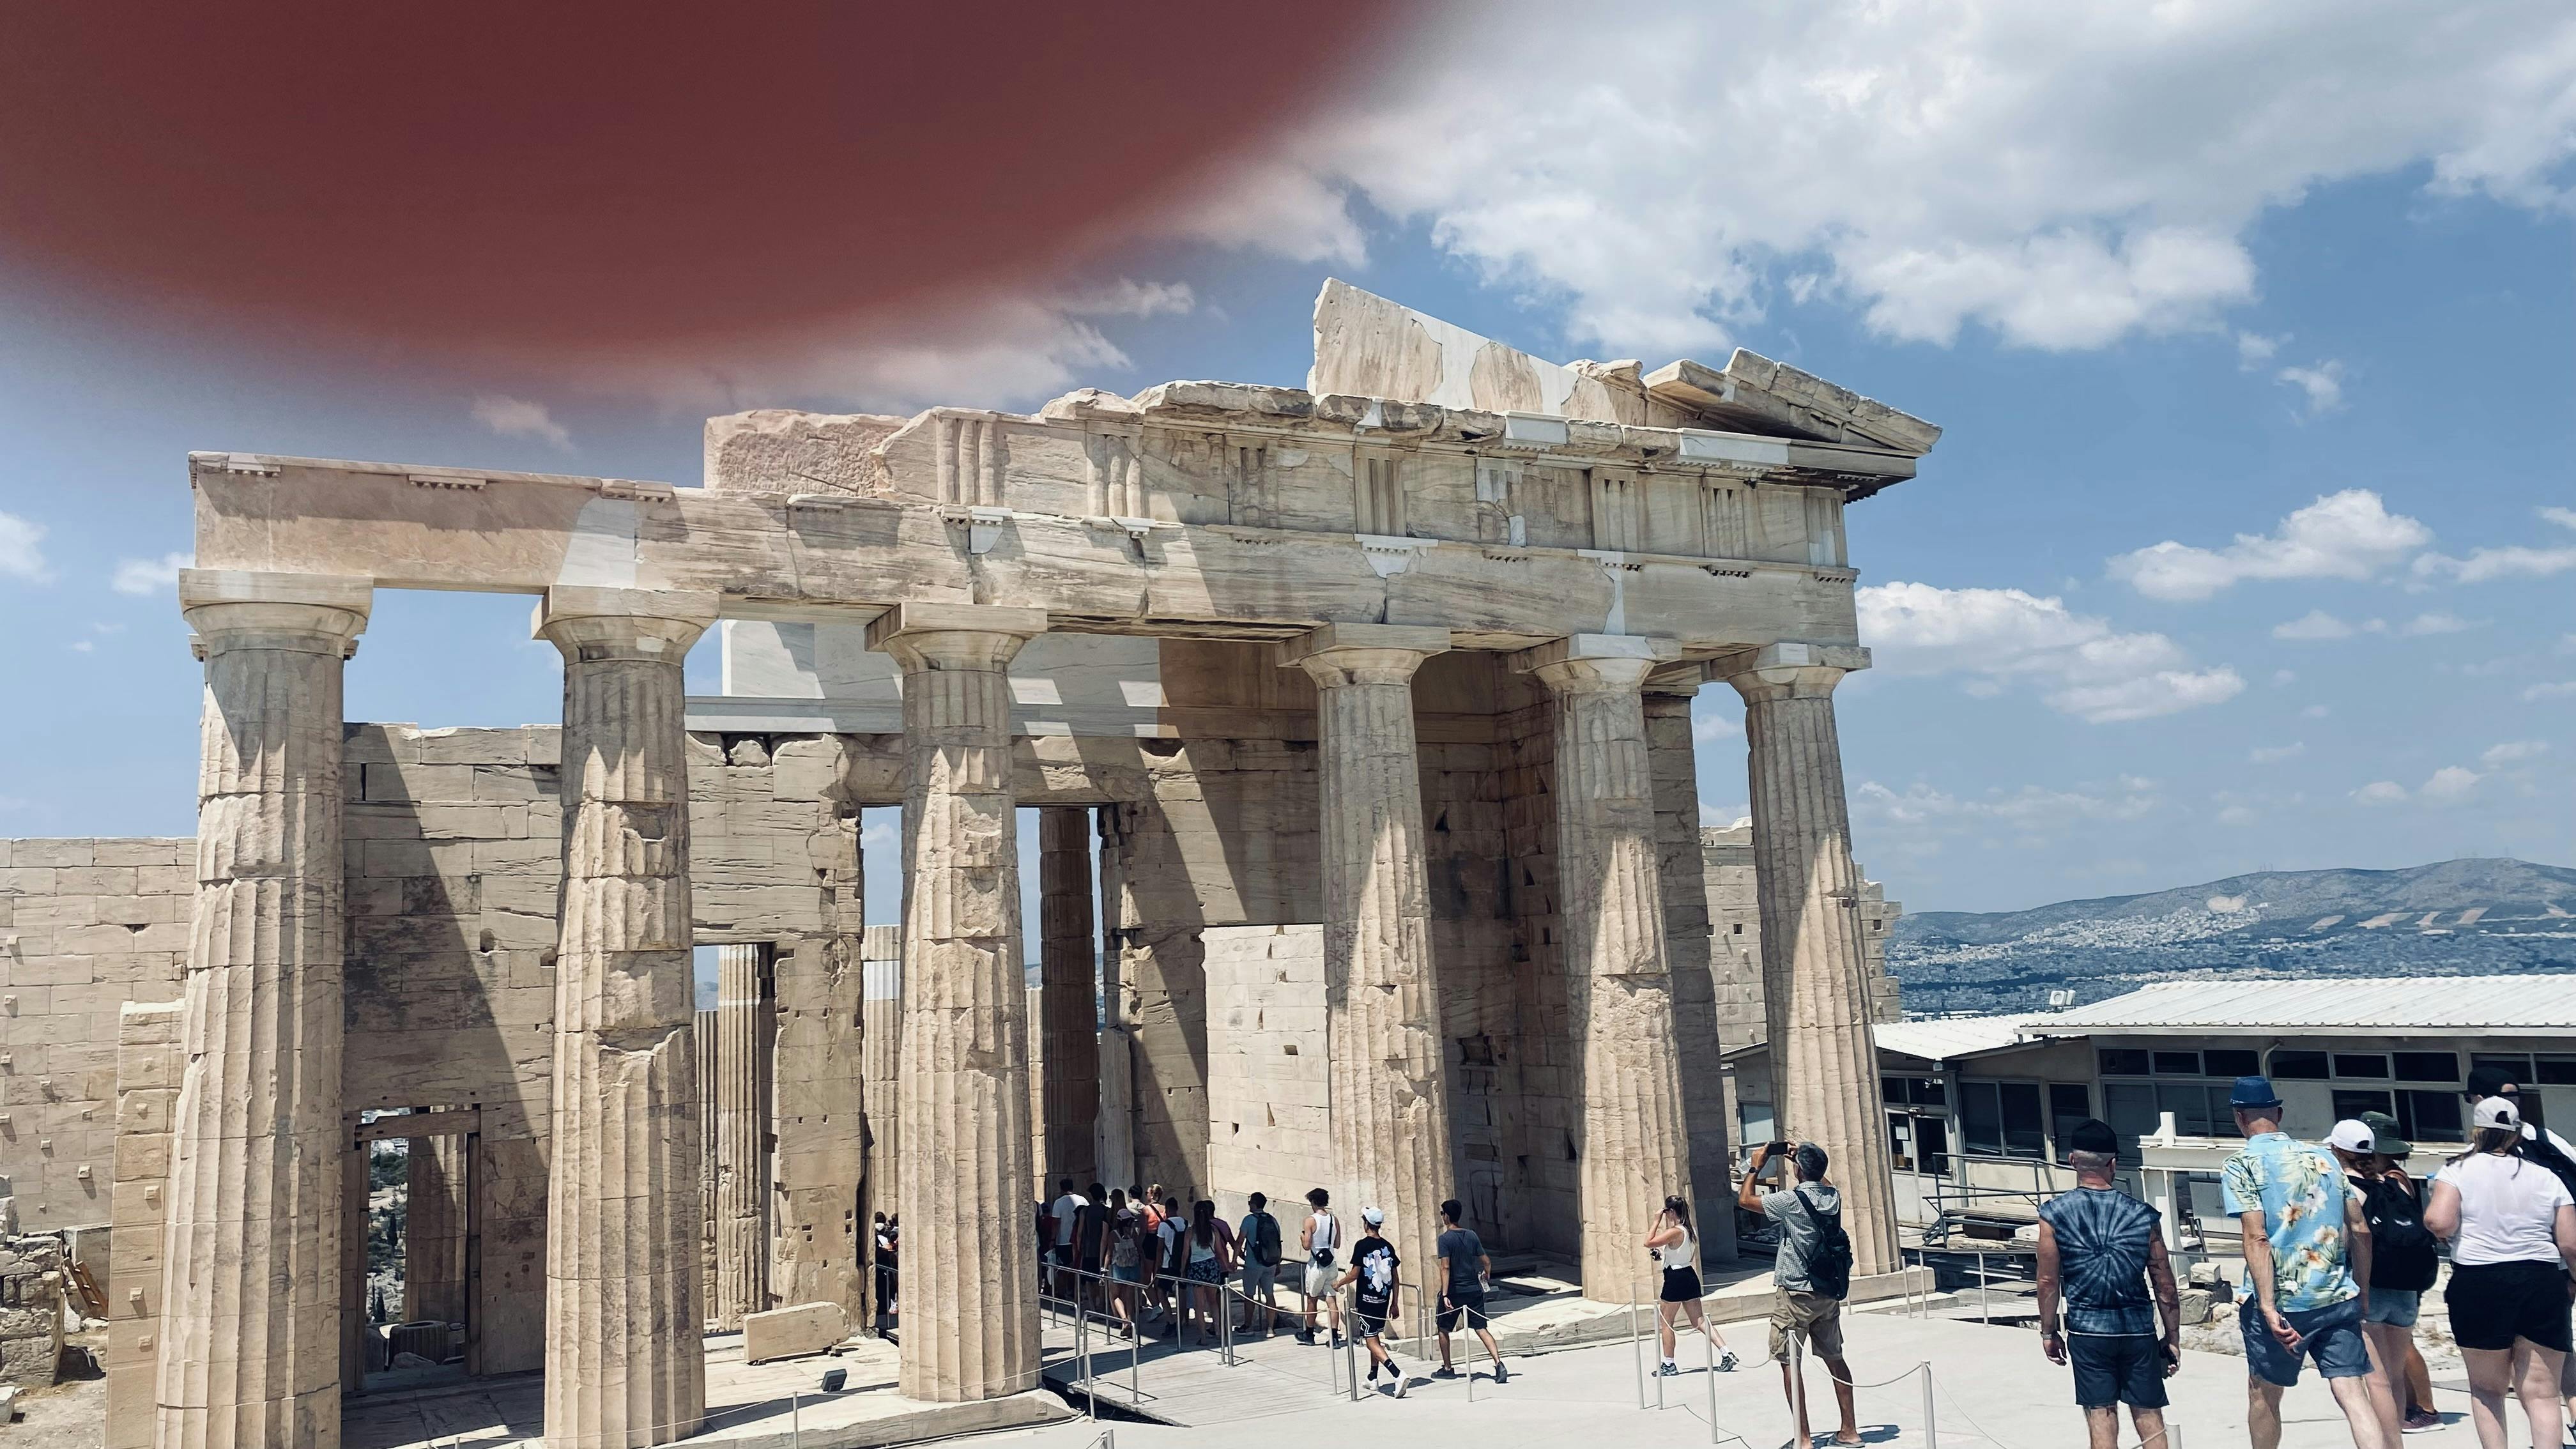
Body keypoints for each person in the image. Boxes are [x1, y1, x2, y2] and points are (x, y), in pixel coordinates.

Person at [2219, 1076, 2390, 1449]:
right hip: (2335, 1296)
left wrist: (2266, 1306)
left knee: (2264, 1394)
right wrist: (2361, 1291)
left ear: (2239, 1117)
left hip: (2282, 1303)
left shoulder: (2240, 1165)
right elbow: (2360, 1229)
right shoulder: (2325, 1157)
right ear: (2279, 1114)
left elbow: (2257, 1237)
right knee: (2354, 1395)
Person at [2425, 1096, 2576, 1449]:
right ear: (2516, 1134)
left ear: (2477, 1132)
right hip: (2541, 1280)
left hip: (2480, 1280)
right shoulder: (2546, 1176)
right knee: (2543, 1393)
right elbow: (2570, 1243)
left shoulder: (2456, 1171)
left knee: (2487, 1389)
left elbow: (2439, 1221)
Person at [2035, 1119, 2181, 1449]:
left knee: (2100, 1416)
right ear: (2113, 1163)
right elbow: (2165, 1284)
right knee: (2150, 1418)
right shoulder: (2143, 1215)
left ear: (2072, 1161)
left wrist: (2048, 1331)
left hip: (2088, 1332)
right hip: (2138, 1331)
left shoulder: (2053, 1214)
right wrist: (2172, 1337)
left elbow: (2047, 1280)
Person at [2460, 1066, 2576, 1436]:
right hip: (2553, 1264)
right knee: (2552, 1355)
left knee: (2526, 1373)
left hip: (2507, 1268)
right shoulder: (2545, 1139)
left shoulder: (2470, 1161)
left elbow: (2441, 1220)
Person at [1741, 1140, 1860, 1448]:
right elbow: (1824, 1183)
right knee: (1836, 1359)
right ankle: (1849, 1431)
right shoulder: (1833, 1196)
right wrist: (1807, 1163)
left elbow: (1746, 1200)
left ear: (1798, 1171)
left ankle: (1804, 1439)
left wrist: (1755, 1166)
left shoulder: (1791, 1200)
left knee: (1790, 1363)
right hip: (1827, 1291)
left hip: (1796, 1292)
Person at [2333, 1117, 2442, 1435]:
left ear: (2337, 1151)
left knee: (2376, 1381)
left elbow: (2346, 1241)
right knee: (2394, 1377)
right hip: (2406, 1291)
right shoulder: (2397, 1184)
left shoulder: (2349, 1189)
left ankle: (2390, 1443)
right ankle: (2398, 1437)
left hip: (2372, 1288)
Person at [1646, 1193, 1738, 1376]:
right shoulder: (1691, 1230)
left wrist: (1656, 1221)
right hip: (1688, 1274)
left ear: (1671, 1212)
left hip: (1675, 1278)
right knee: (1699, 1321)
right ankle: (1726, 1352)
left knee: (1666, 1322)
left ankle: (1668, 1363)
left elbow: (1648, 1242)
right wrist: (1662, 1256)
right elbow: (1681, 1255)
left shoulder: (1675, 1231)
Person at [1335, 1206, 1407, 1397]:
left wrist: (1339, 1283)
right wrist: (1395, 1303)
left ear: (1366, 1223)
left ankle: (1397, 1374)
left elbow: (1354, 1274)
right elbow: (1395, 1278)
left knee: (1370, 1341)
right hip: (1383, 1300)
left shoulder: (1362, 1245)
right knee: (1374, 1337)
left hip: (1367, 1301)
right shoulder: (1388, 1246)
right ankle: (1372, 1377)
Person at [1434, 1197, 1508, 1383]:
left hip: (1454, 1291)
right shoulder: (1472, 1235)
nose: (1442, 1216)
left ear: (1447, 1216)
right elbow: (1487, 1261)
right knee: (1481, 1328)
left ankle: (1448, 1367)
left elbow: (1445, 1267)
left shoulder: (1445, 1239)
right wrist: (1486, 1274)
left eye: (1442, 1213)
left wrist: (1445, 1294)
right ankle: (1499, 1363)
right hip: (1473, 1289)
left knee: (1443, 1328)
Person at [1182, 1198, 1236, 1346]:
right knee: (1213, 1302)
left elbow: (1186, 1253)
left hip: (1196, 1267)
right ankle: (1218, 1331)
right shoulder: (1213, 1230)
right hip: (1212, 1266)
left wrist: (1182, 1269)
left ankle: (1203, 1337)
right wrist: (1227, 1265)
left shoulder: (1190, 1232)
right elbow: (1220, 1251)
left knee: (1199, 1305)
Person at [1298, 1186, 1343, 1347]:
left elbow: (1307, 1245)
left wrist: (1302, 1236)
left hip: (1316, 1266)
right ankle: (1334, 1337)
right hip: (1331, 1264)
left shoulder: (1310, 1220)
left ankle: (1309, 1335)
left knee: (1312, 1299)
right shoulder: (1334, 1220)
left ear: (1313, 1202)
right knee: (1332, 1300)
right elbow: (1337, 1244)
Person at [1238, 1192, 1286, 1334]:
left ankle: (1248, 1326)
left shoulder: (1248, 1220)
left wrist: (1236, 1259)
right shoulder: (1273, 1220)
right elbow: (1277, 1243)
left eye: (1250, 1202)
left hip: (1253, 1264)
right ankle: (1270, 1328)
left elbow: (1239, 1241)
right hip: (1270, 1263)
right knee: (1269, 1295)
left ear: (1253, 1204)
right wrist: (1277, 1264)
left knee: (1249, 1295)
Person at [1100, 1188, 1143, 1335]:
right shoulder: (1133, 1233)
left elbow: (1109, 1253)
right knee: (1129, 1297)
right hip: (1132, 1267)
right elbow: (1139, 1249)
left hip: (1118, 1268)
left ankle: (1124, 1320)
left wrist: (1104, 1269)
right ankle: (1130, 1321)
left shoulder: (1114, 1235)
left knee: (1115, 1296)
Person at [1048, 1176, 1087, 1300]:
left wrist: (1053, 1239)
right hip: (1079, 1240)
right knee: (1076, 1266)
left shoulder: (1059, 1202)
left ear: (1061, 1189)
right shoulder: (1083, 1200)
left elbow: (1056, 1222)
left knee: (1062, 1269)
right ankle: (1074, 1290)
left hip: (1063, 1240)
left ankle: (1063, 1292)